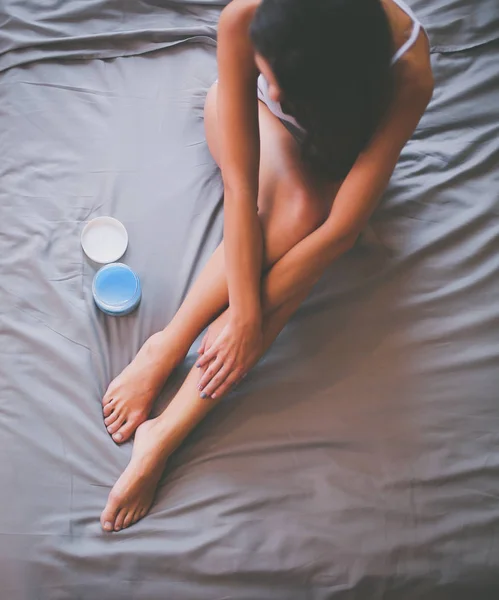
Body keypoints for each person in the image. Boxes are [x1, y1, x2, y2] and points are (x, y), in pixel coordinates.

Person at [100, 0, 433, 532]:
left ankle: (165, 432)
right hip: (251, 131)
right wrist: (245, 313)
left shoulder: (407, 70)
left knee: (310, 215)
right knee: (293, 210)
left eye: (287, 82)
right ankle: (166, 345)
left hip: (333, 169)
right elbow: (240, 186)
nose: (274, 89)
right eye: (269, 73)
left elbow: (341, 232)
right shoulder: (250, 17)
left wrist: (249, 323)